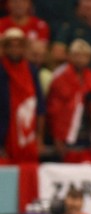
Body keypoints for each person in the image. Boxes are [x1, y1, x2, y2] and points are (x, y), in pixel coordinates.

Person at [47, 39, 91, 159]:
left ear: (89, 58)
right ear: (69, 56)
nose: (80, 59)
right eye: (77, 55)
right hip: (65, 133)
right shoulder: (60, 76)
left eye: (84, 56)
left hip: (86, 132)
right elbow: (54, 110)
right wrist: (57, 140)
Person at [0, 27, 45, 164]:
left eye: (18, 46)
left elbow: (40, 106)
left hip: (27, 134)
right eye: (11, 46)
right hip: (4, 132)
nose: (15, 50)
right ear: (5, 48)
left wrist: (40, 137)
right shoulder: (1, 70)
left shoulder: (31, 70)